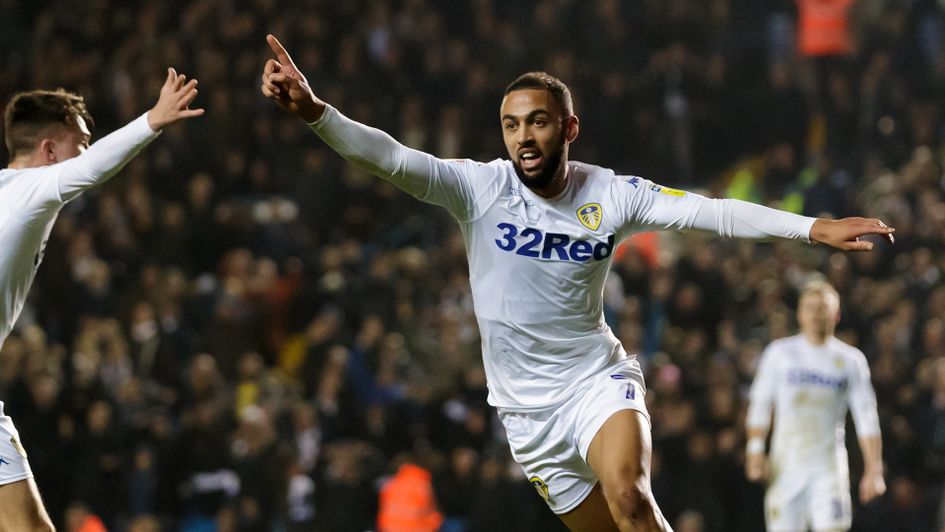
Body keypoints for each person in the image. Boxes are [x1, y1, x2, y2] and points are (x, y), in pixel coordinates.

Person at [260, 34, 894, 532]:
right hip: (526, 417)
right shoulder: (480, 189)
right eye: (511, 125)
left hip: (595, 382)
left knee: (630, 496)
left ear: (568, 128)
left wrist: (814, 228)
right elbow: (392, 158)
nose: (522, 138)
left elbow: (715, 212)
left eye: (536, 122)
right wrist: (317, 113)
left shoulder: (611, 195)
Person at [0, 68, 203, 531]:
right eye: (82, 141)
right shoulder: (32, 190)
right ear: (50, 149)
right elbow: (90, 171)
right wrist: (153, 119)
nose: (87, 152)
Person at [746, 281, 886, 532]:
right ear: (799, 313)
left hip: (829, 468)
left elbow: (866, 416)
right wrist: (755, 449)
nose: (815, 314)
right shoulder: (780, 353)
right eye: (809, 307)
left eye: (822, 308)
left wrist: (874, 469)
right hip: (786, 466)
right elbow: (760, 404)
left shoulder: (850, 360)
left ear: (836, 314)